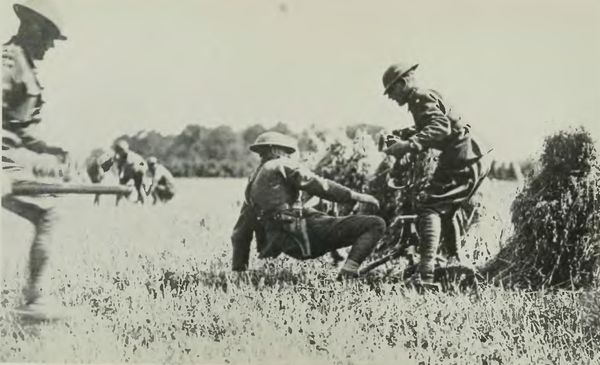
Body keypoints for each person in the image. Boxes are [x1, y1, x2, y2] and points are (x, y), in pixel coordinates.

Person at [381, 63, 490, 290]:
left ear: (402, 84)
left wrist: (408, 145)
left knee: (429, 208)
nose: (391, 98)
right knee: (444, 208)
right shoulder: (425, 96)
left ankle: (425, 275)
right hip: (471, 153)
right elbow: (438, 122)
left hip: (462, 156)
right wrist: (405, 133)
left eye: (391, 91)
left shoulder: (419, 97)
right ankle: (453, 260)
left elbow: (441, 128)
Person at [231, 131, 386, 280]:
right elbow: (318, 184)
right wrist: (355, 196)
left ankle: (339, 259)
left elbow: (240, 233)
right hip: (303, 235)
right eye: (286, 151)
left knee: (327, 215)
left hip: (282, 243)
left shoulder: (252, 183)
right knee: (375, 224)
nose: (289, 156)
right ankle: (347, 273)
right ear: (274, 149)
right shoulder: (280, 164)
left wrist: (239, 270)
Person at [2, 0, 69, 321]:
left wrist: (51, 149)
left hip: (7, 159)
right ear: (32, 29)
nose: (50, 46)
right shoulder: (7, 62)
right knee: (48, 215)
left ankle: (35, 301)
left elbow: (20, 128)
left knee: (49, 213)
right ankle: (35, 302)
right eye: (48, 38)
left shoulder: (24, 66)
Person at [105, 140, 148, 205]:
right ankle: (119, 202)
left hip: (139, 169)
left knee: (138, 186)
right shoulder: (120, 156)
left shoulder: (130, 157)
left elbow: (127, 169)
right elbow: (120, 168)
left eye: (119, 150)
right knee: (123, 185)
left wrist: (122, 178)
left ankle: (142, 202)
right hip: (134, 170)